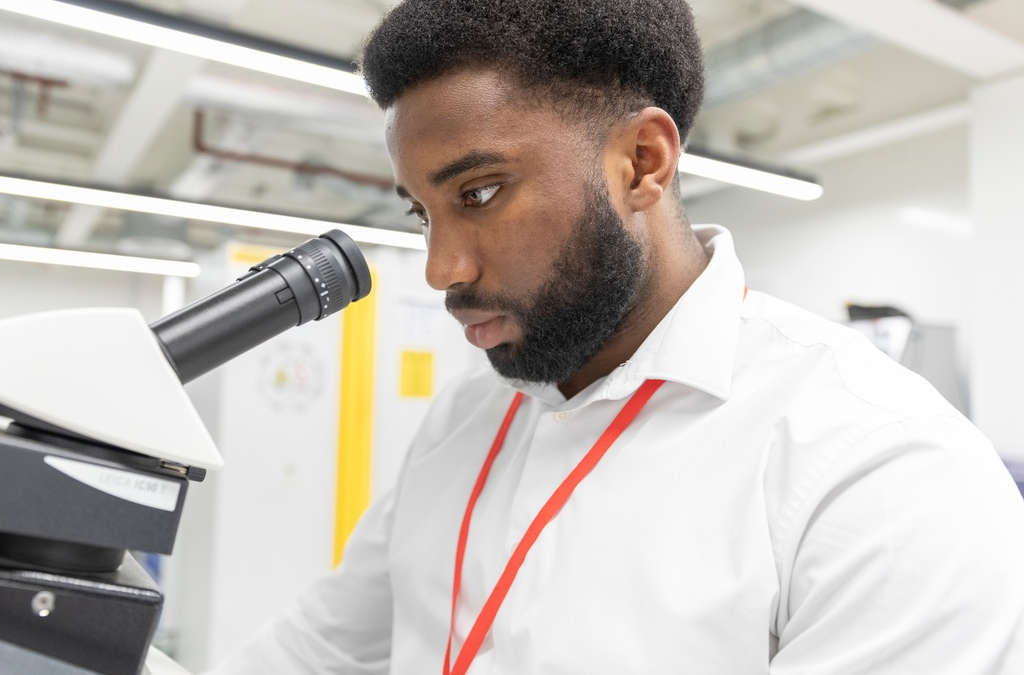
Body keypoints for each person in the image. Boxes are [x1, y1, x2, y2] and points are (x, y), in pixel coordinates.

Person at [219, 0, 1024, 672]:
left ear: (643, 161)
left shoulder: (878, 470)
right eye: (420, 212)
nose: (441, 268)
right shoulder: (464, 417)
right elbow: (314, 650)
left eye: (481, 190)